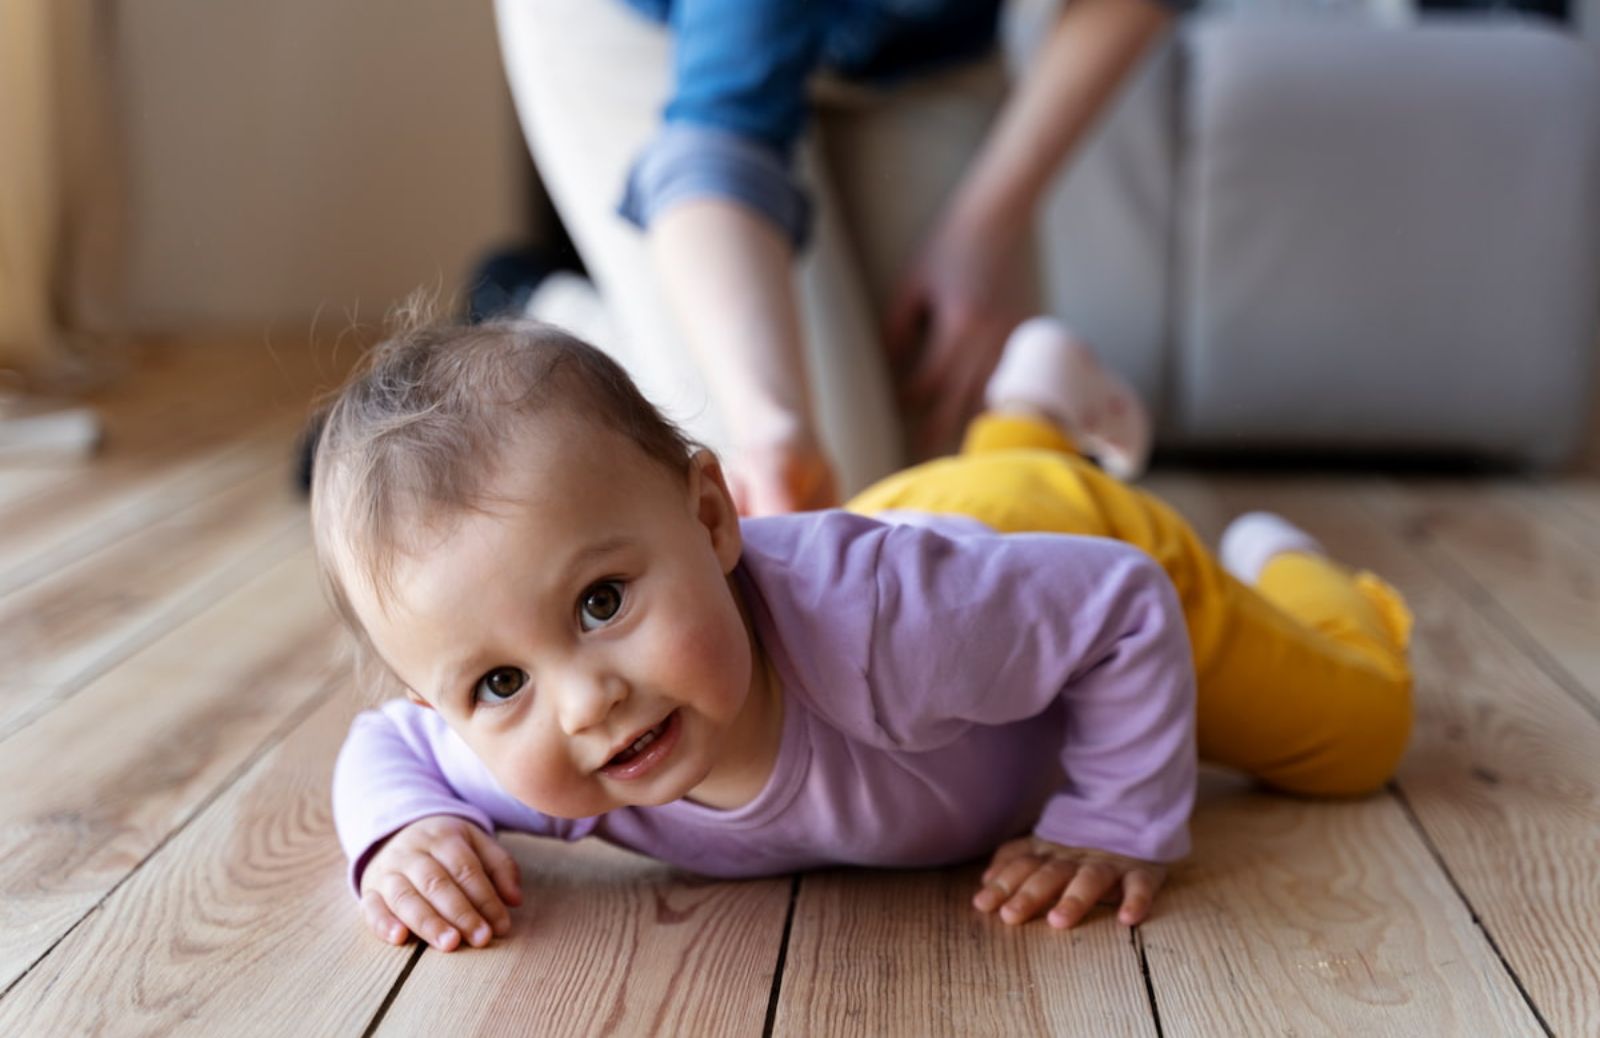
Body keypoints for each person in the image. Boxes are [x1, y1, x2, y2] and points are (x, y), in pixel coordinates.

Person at [313, 316, 1413, 952]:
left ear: (712, 518)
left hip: (1059, 551)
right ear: (445, 703)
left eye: (602, 603)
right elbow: (387, 749)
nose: (582, 701)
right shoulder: (534, 752)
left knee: (1356, 735)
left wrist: (1115, 818)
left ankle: (1290, 571)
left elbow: (1121, 603)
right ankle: (1029, 396)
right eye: (497, 682)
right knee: (968, 527)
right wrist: (401, 835)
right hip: (942, 538)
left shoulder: (891, 628)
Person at [494, 0, 1181, 515]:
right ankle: (538, 305)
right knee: (834, 488)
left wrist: (980, 233)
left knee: (976, 497)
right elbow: (721, 144)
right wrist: (772, 425)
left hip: (926, 52)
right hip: (647, 33)